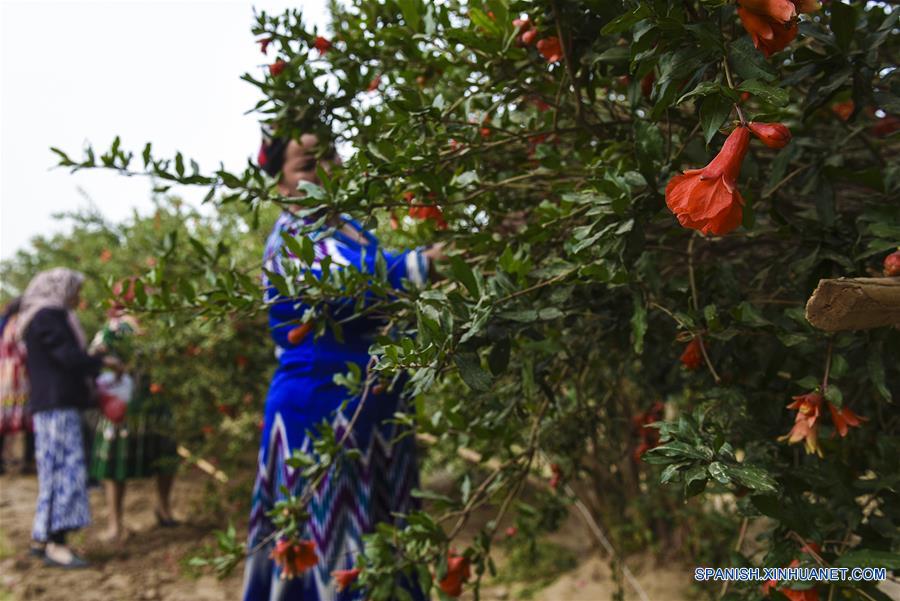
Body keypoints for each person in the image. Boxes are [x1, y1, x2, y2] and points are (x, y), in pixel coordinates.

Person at [242, 130, 444, 600]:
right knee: (334, 554)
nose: (323, 172)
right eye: (306, 166)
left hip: (372, 410)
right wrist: (424, 265)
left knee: (380, 545)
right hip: (320, 414)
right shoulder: (291, 239)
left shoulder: (348, 229)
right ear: (282, 185)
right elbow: (349, 282)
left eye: (328, 158)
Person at [17, 268, 119, 568]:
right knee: (66, 471)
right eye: (74, 290)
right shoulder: (49, 316)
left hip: (50, 405)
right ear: (59, 289)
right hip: (58, 405)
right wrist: (102, 361)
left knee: (52, 471)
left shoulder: (39, 316)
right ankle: (56, 544)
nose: (78, 297)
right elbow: (69, 359)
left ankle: (42, 538)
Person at [88, 305, 179, 542]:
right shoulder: (121, 328)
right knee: (158, 456)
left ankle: (119, 524)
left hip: (137, 403)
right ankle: (160, 510)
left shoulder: (126, 327)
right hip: (140, 402)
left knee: (122, 463)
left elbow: (94, 355)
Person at [0, 297, 35, 473]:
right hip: (19, 378)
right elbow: (24, 352)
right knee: (27, 419)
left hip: (4, 377)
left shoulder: (5, 325)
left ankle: (4, 463)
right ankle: (26, 462)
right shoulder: (20, 325)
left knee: (4, 418)